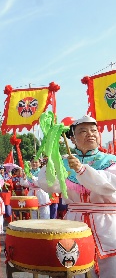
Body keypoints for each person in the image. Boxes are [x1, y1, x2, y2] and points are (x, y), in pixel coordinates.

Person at [38, 115, 116, 278]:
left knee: (110, 268)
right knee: (76, 267)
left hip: (106, 223)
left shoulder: (110, 160)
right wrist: (53, 163)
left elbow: (109, 185)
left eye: (94, 130)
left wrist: (82, 170)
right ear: (72, 138)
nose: (91, 134)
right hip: (75, 222)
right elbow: (48, 185)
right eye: (83, 131)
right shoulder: (65, 162)